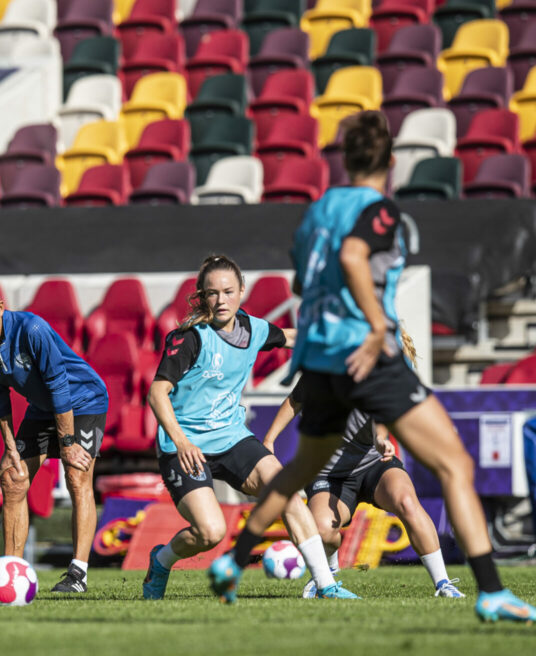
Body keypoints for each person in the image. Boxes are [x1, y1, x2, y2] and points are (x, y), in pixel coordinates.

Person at [208, 111, 536, 623]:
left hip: (319, 358)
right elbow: (357, 255)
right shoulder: (379, 210)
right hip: (364, 352)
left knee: (297, 470)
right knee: (454, 464)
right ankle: (491, 591)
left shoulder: (317, 211)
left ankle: (232, 560)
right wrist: (379, 326)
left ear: (343, 158)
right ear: (390, 161)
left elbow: (300, 283)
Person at [141, 255, 356, 601]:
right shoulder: (189, 338)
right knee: (209, 533)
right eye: (212, 293)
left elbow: (289, 338)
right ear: (202, 296)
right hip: (184, 445)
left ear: (242, 291)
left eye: (228, 291)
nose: (220, 300)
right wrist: (181, 442)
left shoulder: (253, 329)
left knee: (285, 491)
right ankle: (162, 561)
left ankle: (325, 586)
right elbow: (157, 392)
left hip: (232, 438)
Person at [262, 331, 464, 599]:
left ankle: (443, 583)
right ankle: (329, 571)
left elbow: (380, 419)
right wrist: (269, 440)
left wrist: (381, 439)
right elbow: (295, 401)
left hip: (372, 464)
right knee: (322, 530)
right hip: (328, 473)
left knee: (406, 501)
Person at [0, 275, 106, 593]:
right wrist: (10, 448)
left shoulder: (32, 328)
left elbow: (59, 386)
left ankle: (77, 574)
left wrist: (68, 444)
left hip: (82, 401)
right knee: (13, 478)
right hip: (41, 408)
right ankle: (8, 573)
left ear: (0, 307)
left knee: (77, 475)